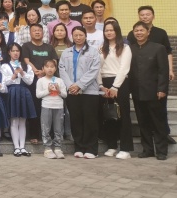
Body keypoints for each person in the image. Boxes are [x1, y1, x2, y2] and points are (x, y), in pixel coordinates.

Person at [127, 6, 175, 145]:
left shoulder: (160, 38)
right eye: (142, 14)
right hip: (139, 87)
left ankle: (162, 146)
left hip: (155, 86)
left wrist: (168, 75)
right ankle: (147, 148)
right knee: (143, 120)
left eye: (148, 14)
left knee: (159, 117)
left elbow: (165, 62)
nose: (145, 17)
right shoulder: (131, 44)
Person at [58, 26, 101, 159]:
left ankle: (91, 149)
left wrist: (79, 85)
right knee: (76, 119)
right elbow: (62, 69)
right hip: (72, 91)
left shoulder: (93, 52)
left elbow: (94, 70)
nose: (78, 37)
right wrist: (71, 85)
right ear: (72, 37)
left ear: (85, 36)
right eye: (75, 35)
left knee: (90, 120)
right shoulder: (66, 52)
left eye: (81, 35)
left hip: (89, 91)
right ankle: (79, 147)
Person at [129, 22, 170, 160]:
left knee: (158, 122)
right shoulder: (130, 49)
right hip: (137, 92)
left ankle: (162, 151)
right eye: (136, 31)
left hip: (155, 93)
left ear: (148, 32)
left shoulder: (158, 48)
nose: (139, 33)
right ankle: (147, 150)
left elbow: (163, 71)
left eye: (141, 30)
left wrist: (162, 89)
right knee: (143, 123)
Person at [99, 20, 133, 159]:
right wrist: (101, 85)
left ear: (117, 32)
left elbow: (124, 68)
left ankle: (125, 148)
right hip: (105, 83)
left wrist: (115, 87)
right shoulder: (101, 48)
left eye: (111, 30)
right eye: (106, 30)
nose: (109, 32)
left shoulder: (125, 47)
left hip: (120, 83)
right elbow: (97, 68)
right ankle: (112, 146)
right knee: (109, 116)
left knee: (123, 115)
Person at [21, 24, 58, 144]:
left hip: (48, 80)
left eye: (39, 30)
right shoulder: (26, 46)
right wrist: (35, 71)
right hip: (33, 81)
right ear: (30, 33)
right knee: (34, 107)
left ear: (43, 33)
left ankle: (48, 134)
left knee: (49, 107)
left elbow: (54, 61)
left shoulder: (49, 47)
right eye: (34, 31)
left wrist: (44, 72)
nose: (37, 32)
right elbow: (26, 60)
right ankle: (34, 135)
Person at [2, 43, 36, 157]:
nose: (15, 53)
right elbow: (4, 82)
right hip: (12, 92)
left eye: (17, 51)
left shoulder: (26, 66)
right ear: (9, 52)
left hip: (24, 92)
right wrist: (13, 76)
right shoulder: (5, 66)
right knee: (14, 120)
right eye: (13, 51)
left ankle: (22, 147)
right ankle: (16, 147)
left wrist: (22, 72)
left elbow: (30, 82)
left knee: (23, 121)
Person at [36, 59, 67, 159]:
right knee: (46, 128)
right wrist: (48, 90)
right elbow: (38, 95)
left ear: (55, 69)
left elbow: (65, 95)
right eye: (47, 66)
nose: (50, 69)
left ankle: (58, 148)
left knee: (58, 128)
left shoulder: (60, 80)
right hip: (46, 106)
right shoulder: (41, 80)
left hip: (58, 106)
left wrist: (58, 90)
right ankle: (47, 149)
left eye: (52, 67)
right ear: (43, 68)